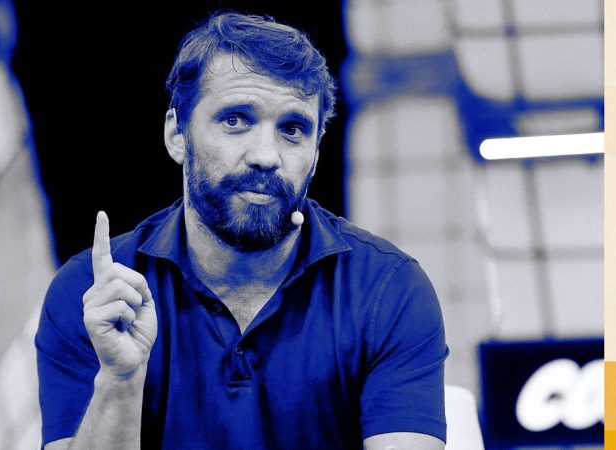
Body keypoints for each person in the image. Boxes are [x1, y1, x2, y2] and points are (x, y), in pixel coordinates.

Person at [36, 12, 448, 449]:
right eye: (236, 120)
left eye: (293, 129)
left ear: (316, 152)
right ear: (177, 134)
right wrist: (120, 380)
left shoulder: (387, 289)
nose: (266, 156)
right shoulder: (96, 292)